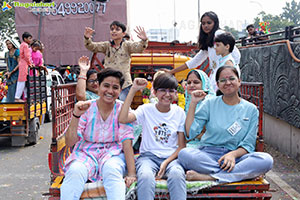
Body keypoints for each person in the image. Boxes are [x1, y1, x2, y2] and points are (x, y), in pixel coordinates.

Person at [178, 66, 273, 183]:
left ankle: (211, 177)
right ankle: (234, 174)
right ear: (217, 85)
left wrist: (232, 155)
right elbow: (190, 133)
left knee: (266, 160)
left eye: (231, 79)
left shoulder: (251, 109)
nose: (228, 83)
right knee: (184, 154)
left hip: (237, 157)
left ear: (239, 81)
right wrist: (193, 103)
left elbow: (248, 144)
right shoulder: (209, 103)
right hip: (208, 155)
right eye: (223, 80)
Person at [60, 68, 136, 200]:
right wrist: (76, 115)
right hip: (86, 152)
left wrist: (131, 173)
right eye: (106, 86)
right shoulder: (86, 107)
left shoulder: (122, 109)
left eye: (115, 87)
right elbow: (70, 142)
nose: (110, 91)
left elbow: (126, 141)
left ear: (120, 90)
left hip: (113, 153)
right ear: (98, 86)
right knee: (75, 171)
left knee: (112, 170)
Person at [119, 73, 187, 200]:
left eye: (171, 91)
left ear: (176, 94)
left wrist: (166, 163)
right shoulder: (146, 109)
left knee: (177, 174)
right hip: (148, 158)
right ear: (154, 92)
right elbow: (123, 118)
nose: (167, 94)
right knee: (145, 176)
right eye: (162, 90)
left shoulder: (179, 112)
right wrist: (133, 89)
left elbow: (181, 146)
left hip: (172, 158)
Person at [162, 11, 241, 92]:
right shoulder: (208, 40)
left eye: (209, 23)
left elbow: (236, 55)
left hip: (226, 78)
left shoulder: (219, 34)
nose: (206, 26)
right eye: (203, 23)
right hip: (217, 77)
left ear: (215, 23)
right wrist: (172, 71)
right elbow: (194, 61)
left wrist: (228, 66)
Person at [84, 21, 148, 101]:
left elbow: (139, 48)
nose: (114, 31)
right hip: (108, 81)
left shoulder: (127, 45)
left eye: (117, 29)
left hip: (124, 84)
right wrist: (87, 38)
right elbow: (92, 47)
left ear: (123, 33)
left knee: (123, 106)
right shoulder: (107, 45)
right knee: (108, 104)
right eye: (112, 29)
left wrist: (144, 40)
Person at [184, 69, 215, 148]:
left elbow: (209, 132)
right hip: (189, 141)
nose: (191, 85)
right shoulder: (188, 100)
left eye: (196, 82)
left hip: (207, 144)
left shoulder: (210, 101)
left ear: (204, 84)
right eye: (189, 83)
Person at [15, 32, 33, 102]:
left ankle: (26, 96)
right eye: (29, 38)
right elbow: (27, 56)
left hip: (22, 63)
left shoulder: (22, 45)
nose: (31, 40)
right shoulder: (25, 45)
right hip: (24, 64)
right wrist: (30, 63)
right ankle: (17, 97)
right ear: (25, 39)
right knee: (22, 80)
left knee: (25, 80)